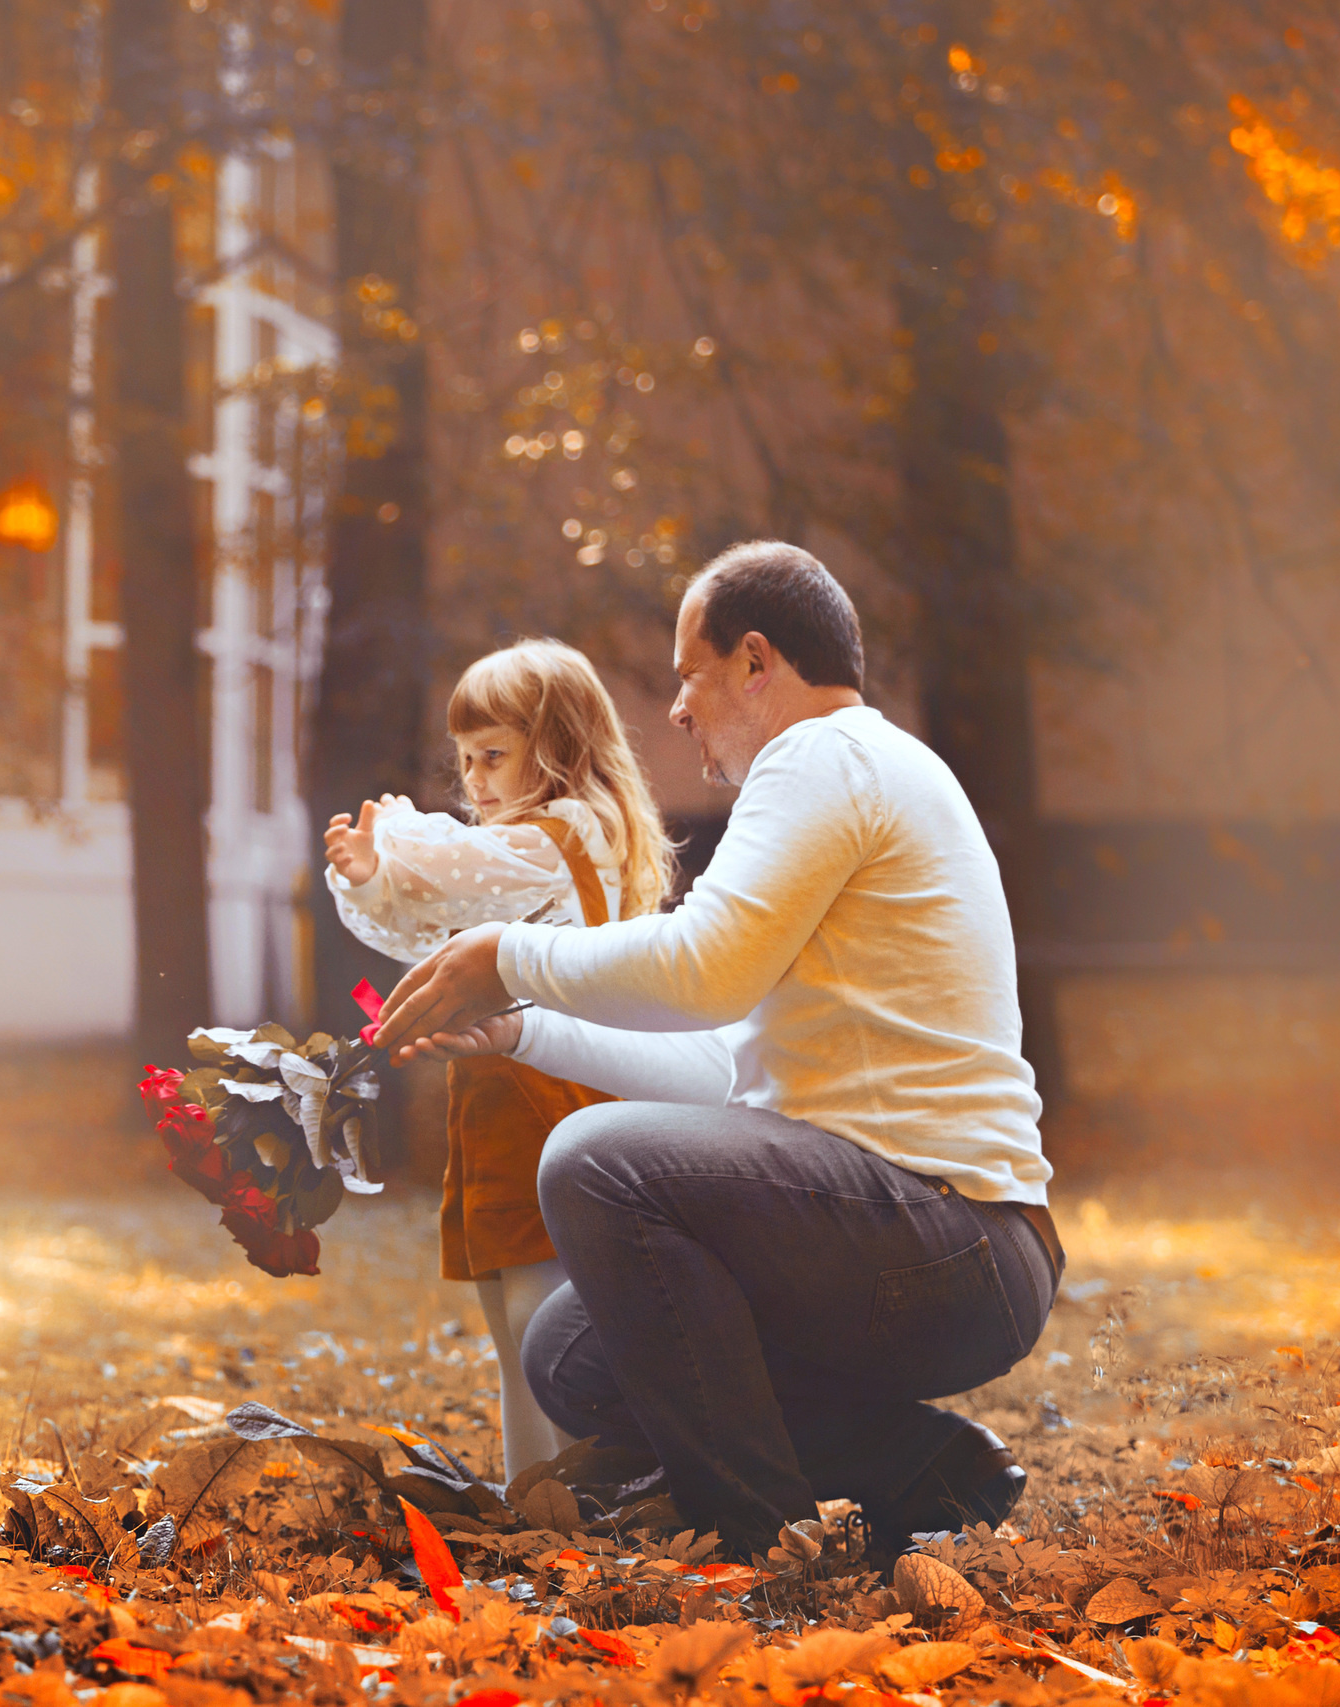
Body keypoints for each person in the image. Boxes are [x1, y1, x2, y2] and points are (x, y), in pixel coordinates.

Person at [371, 541, 1061, 1561]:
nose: (681, 708)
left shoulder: (824, 756)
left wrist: (510, 953)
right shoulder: (851, 773)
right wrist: (520, 1029)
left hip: (946, 1239)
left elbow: (703, 969)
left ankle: (755, 1532)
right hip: (921, 1244)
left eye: (689, 675)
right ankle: (916, 1465)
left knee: (591, 1159)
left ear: (755, 661)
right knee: (571, 1348)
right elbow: (723, 1062)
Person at [323, 638, 674, 1484]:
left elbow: (456, 871)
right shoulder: (533, 849)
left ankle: (582, 1489)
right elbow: (415, 925)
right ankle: (535, 1492)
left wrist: (392, 852)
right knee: (506, 1298)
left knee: (539, 1298)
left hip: (551, 1085)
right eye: (465, 759)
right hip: (501, 1086)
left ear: (557, 748)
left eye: (494, 756)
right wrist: (377, 883)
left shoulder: (568, 833)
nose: (474, 779)